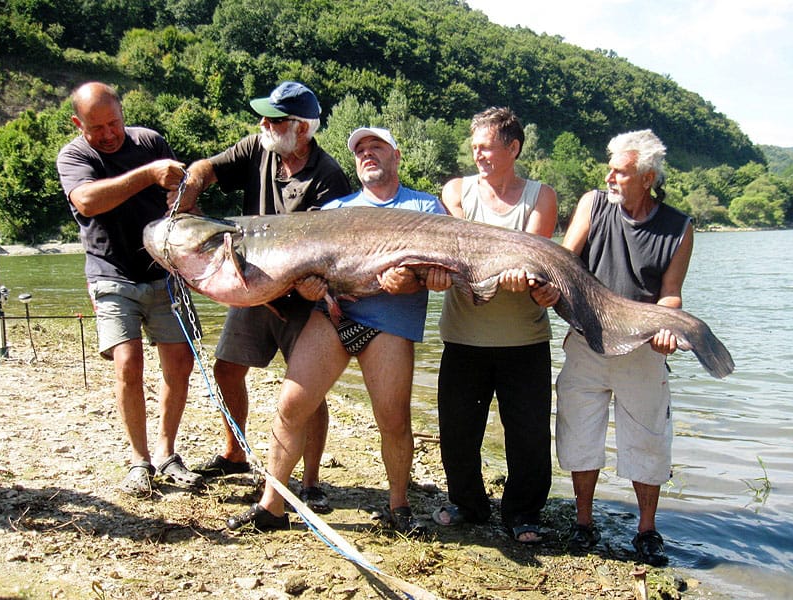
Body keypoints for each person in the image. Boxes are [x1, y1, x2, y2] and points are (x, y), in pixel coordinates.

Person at [225, 127, 448, 535]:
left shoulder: (426, 208)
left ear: (396, 155)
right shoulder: (334, 210)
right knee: (291, 407)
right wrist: (309, 286)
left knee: (393, 421)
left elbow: (442, 275)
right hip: (331, 316)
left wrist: (417, 281)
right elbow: (308, 272)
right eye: (360, 150)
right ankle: (272, 506)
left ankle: (399, 507)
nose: (367, 154)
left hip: (389, 324)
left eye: (376, 147)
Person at [176, 81, 351, 513]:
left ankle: (310, 483)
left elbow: (328, 250)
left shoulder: (329, 176)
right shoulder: (258, 148)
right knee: (227, 371)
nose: (263, 124)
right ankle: (235, 453)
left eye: (273, 119)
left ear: (302, 128)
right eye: (264, 117)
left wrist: (311, 284)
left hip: (302, 298)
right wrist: (189, 194)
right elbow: (205, 168)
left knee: (309, 392)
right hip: (251, 288)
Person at [56, 81, 202, 496]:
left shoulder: (150, 141)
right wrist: (148, 174)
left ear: (123, 113)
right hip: (110, 273)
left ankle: (166, 452)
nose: (108, 134)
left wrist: (184, 189)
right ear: (77, 123)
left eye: (113, 123)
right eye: (96, 126)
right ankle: (140, 461)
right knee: (128, 363)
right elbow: (87, 201)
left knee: (179, 364)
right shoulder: (75, 155)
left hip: (164, 271)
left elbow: (180, 194)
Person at [555, 129, 693, 566]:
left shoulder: (680, 228)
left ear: (647, 178)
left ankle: (647, 530)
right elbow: (564, 258)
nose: (610, 177)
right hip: (586, 341)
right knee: (579, 431)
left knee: (650, 440)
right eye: (609, 169)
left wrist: (667, 323)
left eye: (621, 172)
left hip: (642, 349)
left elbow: (671, 294)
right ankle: (583, 523)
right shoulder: (593, 204)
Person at [430, 107, 560, 544]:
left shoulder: (541, 197)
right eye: (474, 148)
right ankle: (468, 503)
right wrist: (437, 274)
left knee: (527, 434)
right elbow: (453, 253)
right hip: (463, 336)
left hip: (525, 339)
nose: (478, 155)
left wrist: (524, 277)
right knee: (457, 430)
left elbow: (536, 261)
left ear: (513, 148)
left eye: (486, 147)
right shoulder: (455, 191)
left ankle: (522, 512)